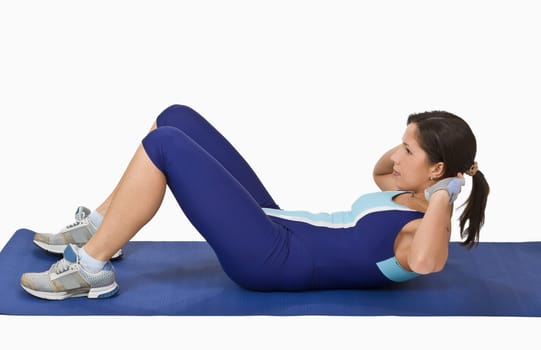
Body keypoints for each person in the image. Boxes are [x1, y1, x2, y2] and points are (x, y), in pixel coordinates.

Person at [20, 104, 490, 300]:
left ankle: (91, 269)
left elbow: (428, 262)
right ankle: (103, 226)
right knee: (176, 116)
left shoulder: (424, 228)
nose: (398, 155)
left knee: (166, 144)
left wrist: (445, 194)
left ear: (435, 170)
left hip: (273, 261)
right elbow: (381, 171)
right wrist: (423, 157)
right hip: (278, 224)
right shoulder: (408, 190)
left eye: (410, 150)